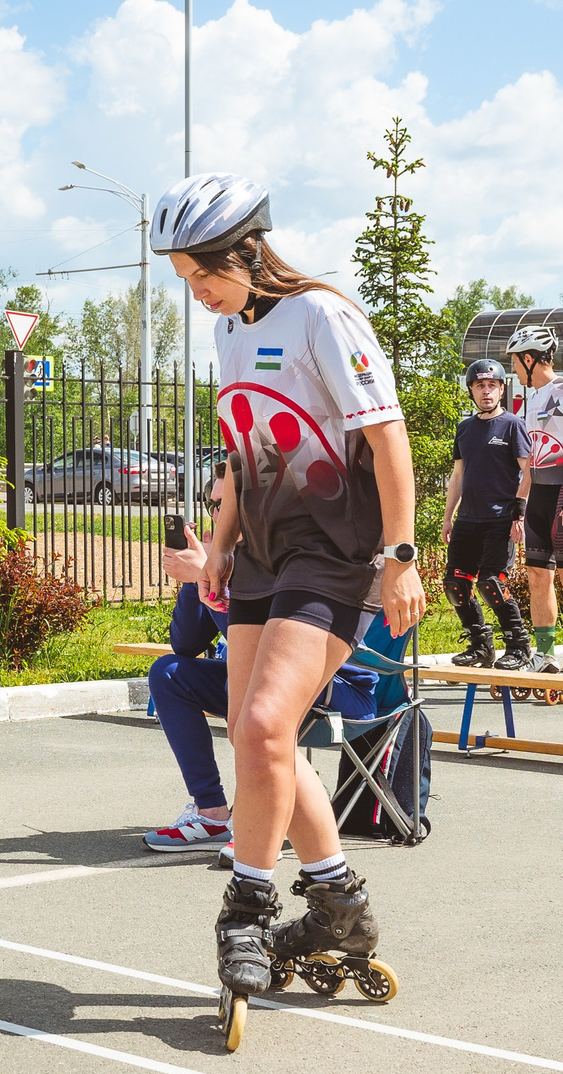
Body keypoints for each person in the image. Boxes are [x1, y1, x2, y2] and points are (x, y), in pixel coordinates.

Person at [152, 172, 425, 1030]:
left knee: (268, 727)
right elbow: (240, 460)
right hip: (264, 558)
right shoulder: (234, 334)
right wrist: (222, 549)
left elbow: (387, 437)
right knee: (257, 738)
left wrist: (402, 554)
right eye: (185, 280)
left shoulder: (323, 315)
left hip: (334, 554)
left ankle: (248, 904)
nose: (196, 294)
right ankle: (339, 898)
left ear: (246, 249)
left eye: (203, 274)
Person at [145, 469, 376, 853]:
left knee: (257, 699)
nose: (218, 514)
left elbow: (268, 641)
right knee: (168, 673)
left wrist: (208, 575)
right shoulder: (224, 560)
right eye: (212, 505)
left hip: (333, 686)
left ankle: (269, 821)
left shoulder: (283, 554)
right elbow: (185, 645)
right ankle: (213, 814)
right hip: (255, 683)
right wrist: (198, 581)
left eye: (226, 504)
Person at [504, 325, 563, 675]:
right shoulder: (533, 398)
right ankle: (545, 655)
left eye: (515, 362)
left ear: (529, 359)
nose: (513, 369)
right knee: (536, 575)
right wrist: (519, 500)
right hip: (540, 493)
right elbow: (533, 457)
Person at [439, 357, 532, 669]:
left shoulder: (513, 426)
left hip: (501, 520)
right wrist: (448, 516)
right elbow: (458, 476)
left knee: (491, 583)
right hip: (468, 520)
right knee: (455, 583)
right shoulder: (465, 429)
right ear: (471, 390)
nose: (486, 391)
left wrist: (519, 516)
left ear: (502, 389)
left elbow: (528, 472)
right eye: (480, 385)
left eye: (492, 385)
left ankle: (518, 645)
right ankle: (480, 645)